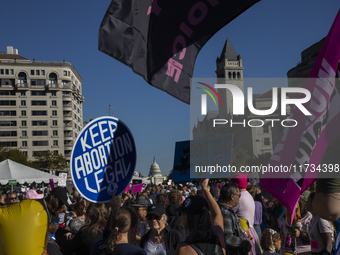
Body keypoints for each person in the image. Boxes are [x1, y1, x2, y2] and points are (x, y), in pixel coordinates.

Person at [175, 179, 226, 255]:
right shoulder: (219, 236)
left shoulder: (184, 249)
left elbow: (217, 214)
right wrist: (205, 188)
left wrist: (204, 188)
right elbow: (217, 214)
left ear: (185, 218)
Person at [231, 173, 261, 255]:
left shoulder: (239, 198)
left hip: (245, 234)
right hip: (251, 232)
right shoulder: (248, 195)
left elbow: (228, 212)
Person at [219, 182, 252, 255]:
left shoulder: (228, 210)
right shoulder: (225, 212)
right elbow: (228, 238)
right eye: (239, 195)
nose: (239, 197)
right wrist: (245, 243)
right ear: (232, 196)